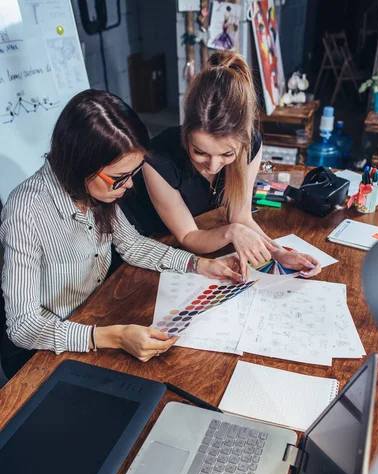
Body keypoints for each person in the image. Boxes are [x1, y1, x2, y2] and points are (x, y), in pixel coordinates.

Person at [0, 89, 242, 379]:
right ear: (81, 165)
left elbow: (131, 245)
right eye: (119, 178)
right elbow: (23, 326)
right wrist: (112, 337)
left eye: (134, 173)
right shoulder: (25, 211)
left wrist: (200, 265)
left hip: (95, 315)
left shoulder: (96, 189)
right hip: (43, 352)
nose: (128, 186)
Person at [129, 50, 321, 279]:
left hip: (185, 243)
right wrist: (231, 232)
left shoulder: (251, 145)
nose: (213, 165)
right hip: (145, 240)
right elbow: (189, 237)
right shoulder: (158, 159)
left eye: (227, 154)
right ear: (185, 131)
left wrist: (279, 254)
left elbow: (241, 217)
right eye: (199, 152)